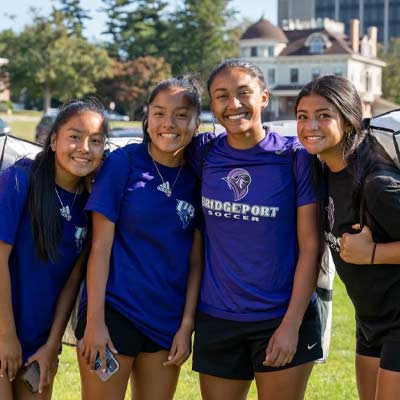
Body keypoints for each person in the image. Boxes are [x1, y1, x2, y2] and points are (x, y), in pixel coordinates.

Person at [187, 59, 322, 400]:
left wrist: (291, 324)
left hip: (281, 317)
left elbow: (311, 247)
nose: (233, 104)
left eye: (243, 93)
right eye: (221, 96)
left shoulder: (295, 158)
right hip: (217, 318)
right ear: (212, 105)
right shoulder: (203, 153)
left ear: (263, 97)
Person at [76, 76, 203, 400]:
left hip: (166, 321)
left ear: (196, 122)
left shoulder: (199, 176)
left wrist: (186, 325)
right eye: (159, 113)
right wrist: (94, 322)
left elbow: (195, 261)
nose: (168, 124)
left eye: (181, 114)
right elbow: (100, 247)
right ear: (147, 117)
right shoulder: (124, 162)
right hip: (113, 314)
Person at [296, 74, 400, 400]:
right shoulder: (322, 170)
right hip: (370, 320)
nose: (310, 125)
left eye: (324, 115)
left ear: (350, 120)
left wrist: (371, 254)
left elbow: (364, 253)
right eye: (302, 116)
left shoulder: (377, 185)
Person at [0, 99, 108, 400]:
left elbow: (71, 282)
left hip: (39, 342)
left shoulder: (91, 204)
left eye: (96, 141)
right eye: (74, 136)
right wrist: (6, 337)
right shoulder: (18, 181)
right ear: (53, 139)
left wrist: (51, 346)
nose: (84, 147)